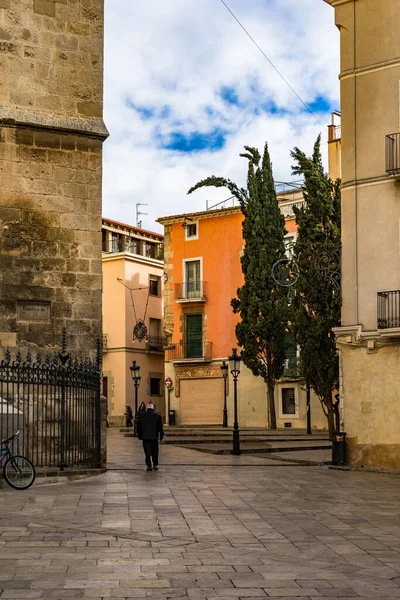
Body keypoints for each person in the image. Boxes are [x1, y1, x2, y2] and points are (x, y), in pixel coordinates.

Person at [137, 403, 164, 471]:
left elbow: (138, 426)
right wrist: (161, 435)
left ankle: (149, 466)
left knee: (147, 451)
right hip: (154, 436)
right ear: (153, 408)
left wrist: (139, 435)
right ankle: (155, 465)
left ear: (146, 408)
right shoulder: (157, 416)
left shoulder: (142, 415)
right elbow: (160, 427)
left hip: (145, 437)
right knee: (155, 451)